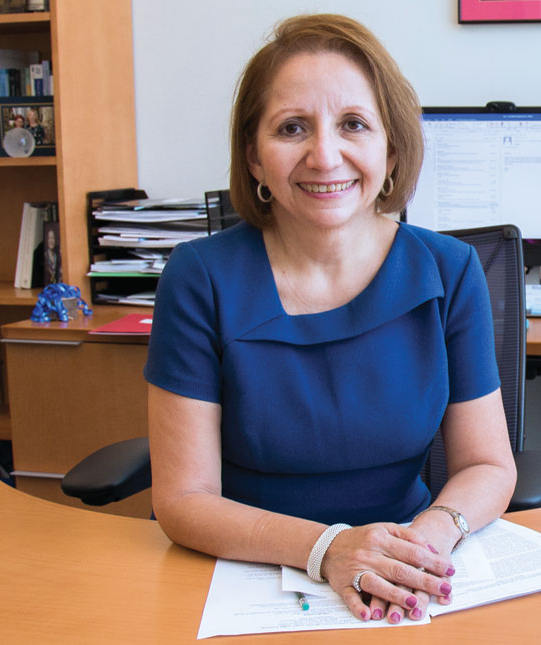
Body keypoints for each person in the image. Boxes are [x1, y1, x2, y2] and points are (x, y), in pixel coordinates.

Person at [144, 14, 516, 624]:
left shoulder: (451, 271)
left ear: (390, 148)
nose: (324, 155)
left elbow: (488, 466)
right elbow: (183, 500)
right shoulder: (199, 276)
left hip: (404, 577)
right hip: (248, 577)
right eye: (292, 128)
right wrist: (329, 549)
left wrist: (420, 544)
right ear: (255, 159)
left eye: (353, 125)